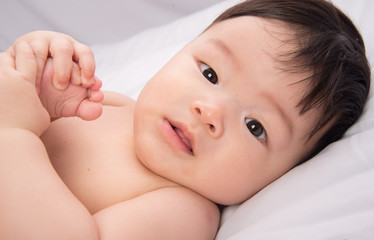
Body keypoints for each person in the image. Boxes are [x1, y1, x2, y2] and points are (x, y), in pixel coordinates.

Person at [0, 0, 370, 239]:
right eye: (210, 73)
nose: (209, 110)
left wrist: (14, 133)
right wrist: (31, 71)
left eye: (255, 126)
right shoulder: (110, 105)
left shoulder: (183, 212)